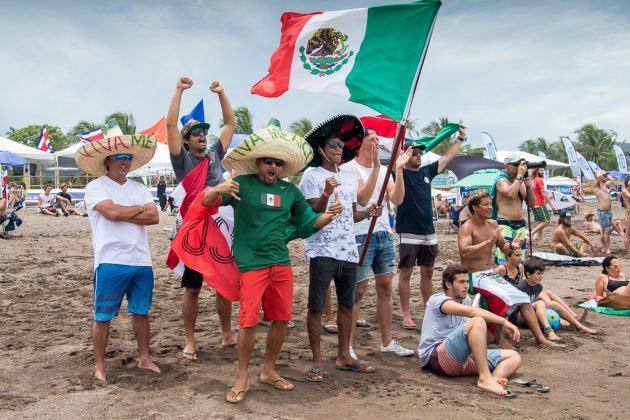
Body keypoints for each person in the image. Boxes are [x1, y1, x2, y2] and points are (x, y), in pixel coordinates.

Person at [202, 124, 342, 403]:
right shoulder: (242, 184)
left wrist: (328, 216)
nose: (273, 166)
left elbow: (307, 222)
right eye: (269, 161)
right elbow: (206, 201)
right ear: (258, 162)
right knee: (248, 321)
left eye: (279, 163)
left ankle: (268, 370)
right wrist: (218, 188)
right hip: (251, 263)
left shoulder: (289, 192)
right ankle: (241, 377)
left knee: (281, 319)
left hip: (280, 262)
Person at [75, 120, 161, 381]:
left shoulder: (138, 187)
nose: (124, 161)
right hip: (110, 259)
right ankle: (99, 366)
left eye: (127, 157)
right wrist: (137, 210)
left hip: (141, 260)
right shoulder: (96, 187)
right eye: (119, 157)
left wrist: (123, 212)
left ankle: (144, 358)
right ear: (108, 161)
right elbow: (111, 213)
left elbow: (155, 217)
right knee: (103, 315)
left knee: (141, 312)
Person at [300, 115, 378, 380]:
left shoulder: (348, 176)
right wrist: (325, 192)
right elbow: (312, 213)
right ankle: (317, 361)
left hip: (348, 249)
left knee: (348, 302)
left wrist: (369, 213)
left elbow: (351, 214)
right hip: (322, 249)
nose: (338, 148)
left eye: (341, 145)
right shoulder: (312, 175)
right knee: (316, 307)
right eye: (332, 144)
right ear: (321, 148)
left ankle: (344, 355)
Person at [166, 76, 237, 357]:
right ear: (186, 140)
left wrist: (221, 93)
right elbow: (170, 124)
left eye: (204, 132)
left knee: (224, 284)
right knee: (193, 288)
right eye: (196, 133)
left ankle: (226, 334)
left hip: (220, 226)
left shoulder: (214, 153)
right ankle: (190, 341)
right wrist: (178, 90)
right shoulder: (181, 159)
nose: (202, 135)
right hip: (196, 229)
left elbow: (230, 124)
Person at [341, 128, 414, 359]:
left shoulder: (384, 170)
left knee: (385, 288)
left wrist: (398, 170)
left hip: (383, 233)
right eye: (372, 139)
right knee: (358, 290)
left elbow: (397, 199)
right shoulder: (348, 169)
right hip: (360, 235)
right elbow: (362, 198)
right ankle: (348, 345)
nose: (377, 143)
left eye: (378, 140)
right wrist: (374, 168)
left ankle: (387, 341)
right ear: (360, 143)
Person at [457, 190, 563, 348]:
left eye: (490, 203)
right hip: (473, 276)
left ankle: (541, 338)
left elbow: (504, 247)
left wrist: (512, 245)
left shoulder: (492, 224)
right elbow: (464, 251)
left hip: (489, 274)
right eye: (485, 204)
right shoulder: (467, 227)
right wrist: (488, 242)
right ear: (474, 207)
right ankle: (498, 337)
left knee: (523, 298)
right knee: (502, 297)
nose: (489, 207)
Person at [396, 125, 467, 329]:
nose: (419, 155)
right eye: (414, 152)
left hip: (429, 231)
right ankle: (406, 314)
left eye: (420, 152)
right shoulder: (399, 173)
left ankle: (430, 310)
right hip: (408, 230)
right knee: (406, 273)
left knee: (428, 272)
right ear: (406, 155)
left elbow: (447, 157)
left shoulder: (427, 171)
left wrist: (460, 139)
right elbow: (394, 156)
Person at [418, 264, 521, 396]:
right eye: (461, 282)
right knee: (477, 320)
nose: (466, 286)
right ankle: (484, 378)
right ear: (448, 284)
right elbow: (472, 312)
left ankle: (492, 379)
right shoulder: (437, 300)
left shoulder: (466, 300)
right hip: (438, 357)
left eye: (467, 282)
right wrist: (504, 321)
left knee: (513, 356)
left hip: (462, 359)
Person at [514, 259, 597, 337]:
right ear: (528, 274)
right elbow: (514, 308)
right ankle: (549, 330)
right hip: (519, 317)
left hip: (531, 313)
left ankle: (579, 325)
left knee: (552, 304)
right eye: (538, 274)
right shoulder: (521, 288)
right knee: (540, 303)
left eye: (542, 273)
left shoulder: (538, 287)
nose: (541, 276)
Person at [490, 154, 536, 264]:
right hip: (505, 223)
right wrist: (520, 176)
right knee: (505, 256)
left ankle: (517, 278)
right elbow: (511, 194)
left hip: (520, 224)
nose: (519, 167)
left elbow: (532, 204)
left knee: (520, 257)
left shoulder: (519, 181)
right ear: (507, 166)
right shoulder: (502, 180)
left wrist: (529, 187)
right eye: (516, 164)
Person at [529, 168, 555, 244]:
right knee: (547, 220)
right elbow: (543, 193)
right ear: (536, 171)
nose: (543, 172)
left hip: (533, 204)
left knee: (539, 223)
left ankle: (540, 242)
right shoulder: (538, 180)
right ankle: (532, 233)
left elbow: (536, 191)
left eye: (543, 170)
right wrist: (551, 204)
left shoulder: (532, 180)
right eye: (541, 170)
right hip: (539, 204)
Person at [594, 171, 613, 254]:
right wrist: (600, 174)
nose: (606, 176)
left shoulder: (604, 185)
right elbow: (598, 176)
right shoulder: (596, 187)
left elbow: (612, 179)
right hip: (603, 212)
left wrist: (605, 176)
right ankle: (608, 248)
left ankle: (604, 247)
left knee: (605, 231)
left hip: (608, 211)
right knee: (606, 231)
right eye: (604, 175)